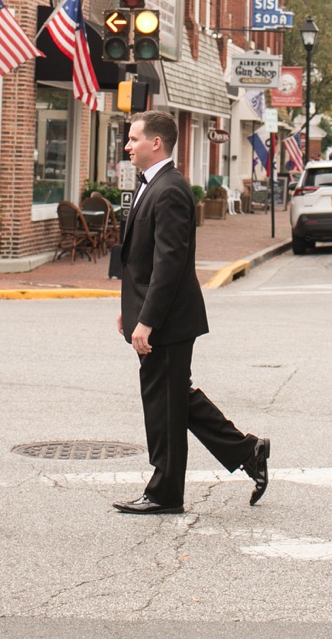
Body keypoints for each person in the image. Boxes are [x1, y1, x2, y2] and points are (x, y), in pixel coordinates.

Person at [113, 109, 270, 514]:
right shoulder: (153, 184)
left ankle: (165, 493)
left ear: (156, 143)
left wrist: (146, 320)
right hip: (155, 315)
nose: (127, 146)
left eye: (133, 139)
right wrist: (128, 311)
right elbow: (139, 260)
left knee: (165, 405)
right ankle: (248, 450)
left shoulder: (169, 189)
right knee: (174, 399)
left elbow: (169, 263)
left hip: (168, 321)